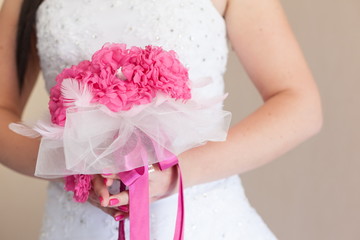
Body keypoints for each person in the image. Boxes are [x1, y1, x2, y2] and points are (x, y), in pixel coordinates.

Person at [0, 0, 322, 239]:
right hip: (75, 223)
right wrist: (77, 169)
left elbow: (300, 104)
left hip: (203, 220)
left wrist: (173, 175)